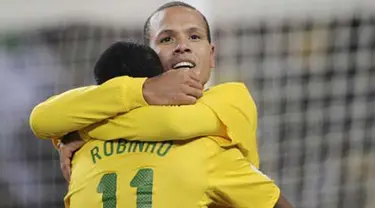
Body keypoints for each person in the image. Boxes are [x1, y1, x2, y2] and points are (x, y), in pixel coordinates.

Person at [30, 2, 293, 208]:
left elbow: (174, 123)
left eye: (194, 37)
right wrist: (142, 91)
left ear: (211, 55)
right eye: (166, 39)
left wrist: (82, 131)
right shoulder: (205, 148)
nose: (182, 47)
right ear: (149, 54)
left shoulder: (231, 99)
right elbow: (40, 119)